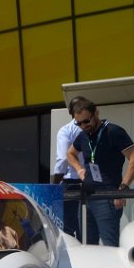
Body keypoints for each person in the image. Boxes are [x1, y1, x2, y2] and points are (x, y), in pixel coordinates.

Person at [65, 99, 134, 247]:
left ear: (96, 113)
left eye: (86, 121)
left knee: (110, 245)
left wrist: (123, 188)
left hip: (108, 196)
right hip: (86, 197)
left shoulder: (113, 131)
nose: (83, 126)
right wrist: (80, 170)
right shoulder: (83, 136)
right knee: (87, 246)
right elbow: (70, 154)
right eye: (78, 123)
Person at [53, 96, 89, 239]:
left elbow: (62, 159)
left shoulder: (66, 131)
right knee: (88, 226)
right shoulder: (92, 128)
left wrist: (55, 184)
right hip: (90, 181)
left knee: (69, 228)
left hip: (71, 183)